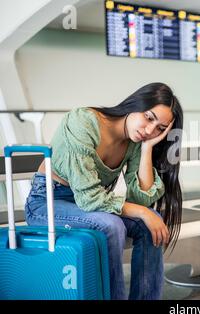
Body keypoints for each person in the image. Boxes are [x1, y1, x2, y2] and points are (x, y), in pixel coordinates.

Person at [24, 83, 183, 300]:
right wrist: (143, 212)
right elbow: (90, 198)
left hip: (91, 206)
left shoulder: (137, 140)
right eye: (148, 117)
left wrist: (147, 148)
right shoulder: (83, 121)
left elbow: (141, 198)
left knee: (150, 220)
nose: (149, 130)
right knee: (111, 224)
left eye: (160, 128)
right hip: (48, 203)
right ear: (136, 103)